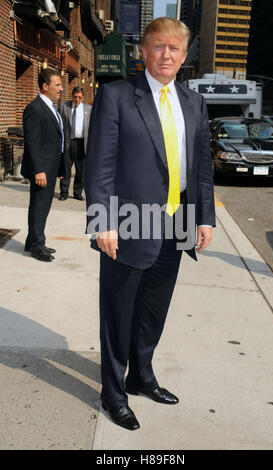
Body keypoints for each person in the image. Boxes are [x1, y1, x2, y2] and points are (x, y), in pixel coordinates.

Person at [85, 17, 215, 431]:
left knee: (153, 313)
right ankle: (114, 394)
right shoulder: (117, 96)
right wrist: (102, 222)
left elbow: (202, 168)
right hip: (127, 225)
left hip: (177, 225)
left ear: (183, 56)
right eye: (158, 46)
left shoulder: (193, 103)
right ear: (143, 51)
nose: (166, 55)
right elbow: (100, 165)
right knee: (118, 314)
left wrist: (204, 218)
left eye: (174, 49)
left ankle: (141, 376)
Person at [21, 69, 65, 262]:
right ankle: (38, 246)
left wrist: (60, 168)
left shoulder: (50, 107)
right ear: (45, 86)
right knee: (39, 206)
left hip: (50, 166)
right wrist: (39, 169)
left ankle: (33, 241)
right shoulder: (34, 108)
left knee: (42, 205)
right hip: (41, 169)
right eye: (58, 85)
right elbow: (33, 142)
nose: (62, 89)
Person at [58, 87, 91, 201]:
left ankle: (77, 193)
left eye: (79, 97)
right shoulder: (64, 106)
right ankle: (64, 193)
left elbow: (91, 128)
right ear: (72, 96)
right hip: (68, 143)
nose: (77, 99)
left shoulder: (88, 109)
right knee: (66, 169)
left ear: (83, 97)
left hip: (82, 144)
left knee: (80, 171)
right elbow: (59, 124)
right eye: (75, 97)